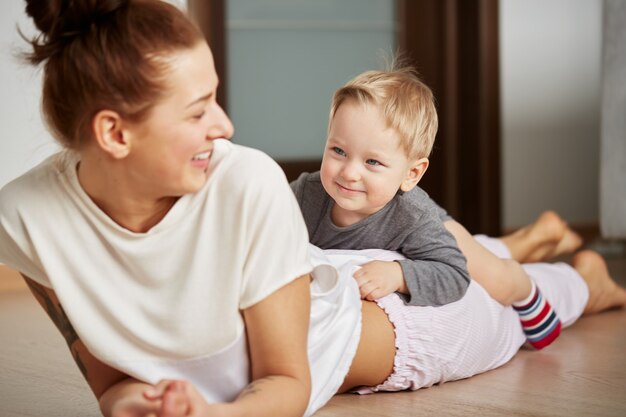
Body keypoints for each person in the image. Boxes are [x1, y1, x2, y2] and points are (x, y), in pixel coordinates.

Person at [2, 1, 626, 417]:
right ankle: (523, 240)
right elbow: (112, 382)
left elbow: (284, 381)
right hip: (347, 264)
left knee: (499, 295)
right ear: (113, 134)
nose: (225, 124)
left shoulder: (247, 181)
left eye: (214, 99)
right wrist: (139, 405)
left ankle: (583, 279)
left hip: (403, 320)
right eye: (197, 111)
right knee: (449, 243)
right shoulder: (26, 221)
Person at [290, 68, 574, 349]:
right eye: (338, 151)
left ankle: (526, 288)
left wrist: (398, 275)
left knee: (496, 279)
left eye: (372, 162)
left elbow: (454, 275)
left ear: (411, 174)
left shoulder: (414, 217)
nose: (349, 173)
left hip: (437, 224)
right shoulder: (305, 193)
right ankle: (535, 238)